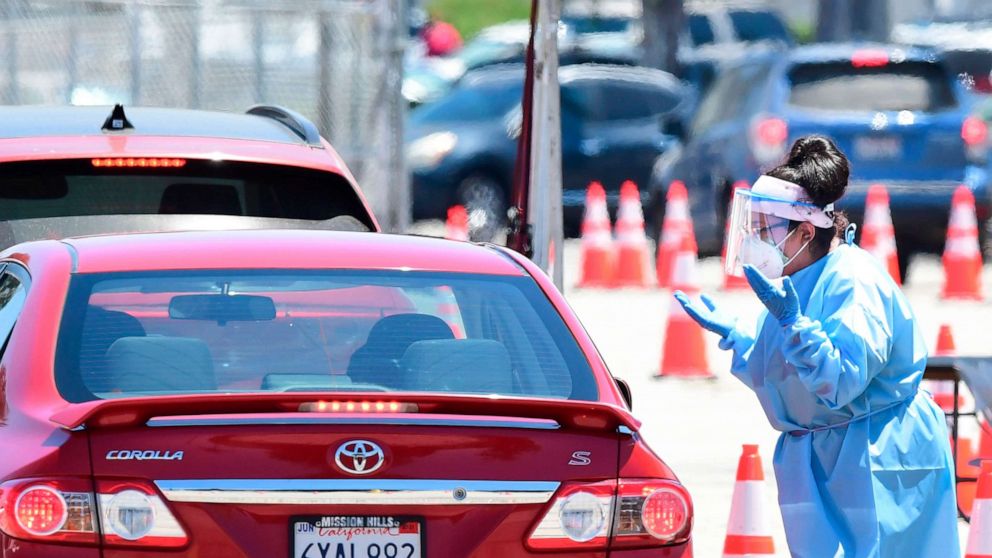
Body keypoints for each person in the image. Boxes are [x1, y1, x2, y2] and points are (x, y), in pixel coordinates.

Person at [674, 135, 960, 557]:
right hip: (825, 458)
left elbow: (840, 379)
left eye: (764, 229)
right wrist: (741, 336)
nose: (755, 239)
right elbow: (784, 373)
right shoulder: (796, 282)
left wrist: (794, 325)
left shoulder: (853, 279)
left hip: (877, 454)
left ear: (806, 230)